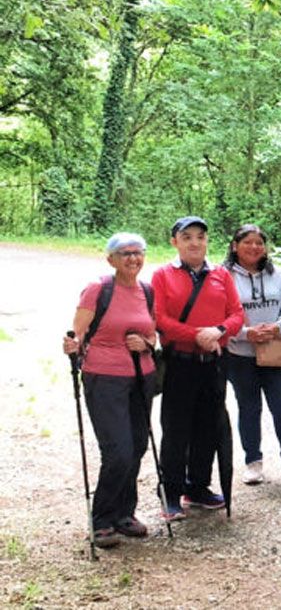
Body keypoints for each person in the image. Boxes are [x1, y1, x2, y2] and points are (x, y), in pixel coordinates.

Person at [62, 233, 157, 547]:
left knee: (139, 446)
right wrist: (71, 345)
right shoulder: (98, 289)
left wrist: (144, 343)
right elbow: (77, 333)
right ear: (111, 259)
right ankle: (101, 519)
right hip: (104, 378)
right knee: (118, 451)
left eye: (138, 252)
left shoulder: (147, 291)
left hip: (141, 376)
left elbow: (153, 337)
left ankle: (123, 514)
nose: (133, 258)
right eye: (125, 253)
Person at [153, 217, 245, 520]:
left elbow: (236, 314)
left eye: (200, 237)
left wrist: (218, 331)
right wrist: (197, 335)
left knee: (208, 426)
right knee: (177, 428)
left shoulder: (220, 274)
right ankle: (171, 491)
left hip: (214, 363)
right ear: (175, 242)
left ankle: (198, 486)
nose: (195, 242)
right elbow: (160, 319)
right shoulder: (163, 275)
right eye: (187, 237)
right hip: (180, 362)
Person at [223, 225, 281, 484]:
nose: (254, 247)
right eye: (247, 242)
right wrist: (244, 333)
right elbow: (220, 314)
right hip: (240, 354)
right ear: (234, 246)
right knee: (249, 408)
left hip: (274, 351)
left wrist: (278, 327)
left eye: (259, 243)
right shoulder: (223, 277)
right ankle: (253, 462)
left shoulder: (278, 276)